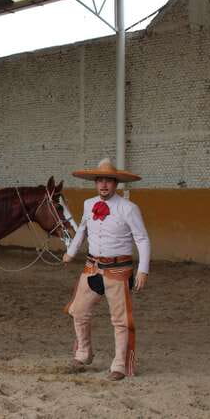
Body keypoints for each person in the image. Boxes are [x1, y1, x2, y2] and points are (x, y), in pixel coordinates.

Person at [63, 158, 151, 381]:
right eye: (100, 180)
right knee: (78, 310)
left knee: (120, 319)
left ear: (116, 183)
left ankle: (119, 364)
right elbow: (82, 230)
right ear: (95, 183)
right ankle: (83, 352)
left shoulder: (129, 209)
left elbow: (141, 239)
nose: (103, 185)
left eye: (108, 181)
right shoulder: (88, 204)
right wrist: (71, 252)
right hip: (92, 267)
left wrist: (143, 270)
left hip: (118, 270)